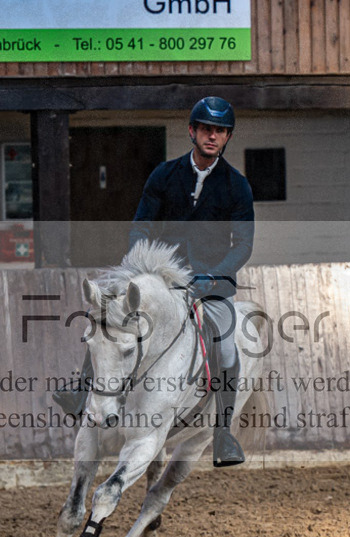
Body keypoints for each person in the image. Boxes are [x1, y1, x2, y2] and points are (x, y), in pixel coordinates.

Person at [53, 96, 255, 467]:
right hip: (162, 277)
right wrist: (139, 261)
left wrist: (214, 277)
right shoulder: (164, 174)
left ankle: (223, 434)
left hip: (210, 284)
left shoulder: (237, 186)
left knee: (226, 347)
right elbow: (142, 225)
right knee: (108, 315)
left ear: (227, 137)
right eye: (206, 129)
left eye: (220, 131)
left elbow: (243, 245)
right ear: (192, 131)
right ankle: (80, 392)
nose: (212, 136)